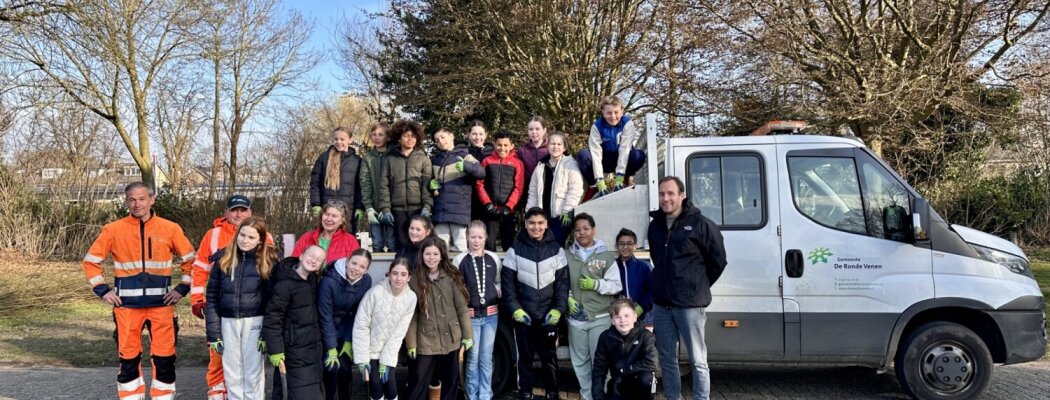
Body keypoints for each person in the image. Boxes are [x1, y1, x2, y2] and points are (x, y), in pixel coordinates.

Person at [81, 182, 196, 400]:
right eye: (132, 199)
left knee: (165, 359)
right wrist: (103, 290)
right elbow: (90, 262)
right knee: (128, 360)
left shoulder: (170, 228)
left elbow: (191, 260)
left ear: (152, 200)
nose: (137, 204)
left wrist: (182, 288)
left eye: (142, 199)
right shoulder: (113, 229)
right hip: (126, 307)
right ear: (126, 202)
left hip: (161, 306)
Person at [647, 176, 728, 400]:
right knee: (667, 359)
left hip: (690, 305)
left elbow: (718, 260)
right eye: (662, 194)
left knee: (698, 360)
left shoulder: (701, 224)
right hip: (662, 305)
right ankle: (674, 397)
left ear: (682, 195)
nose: (666, 198)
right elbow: (657, 259)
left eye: (671, 193)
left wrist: (697, 285)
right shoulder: (655, 226)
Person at [190, 194, 268, 399]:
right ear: (226, 212)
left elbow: (271, 287)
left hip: (253, 316)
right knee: (222, 362)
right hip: (225, 314)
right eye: (234, 210)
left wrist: (270, 327)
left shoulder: (265, 235)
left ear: (250, 212)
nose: (239, 214)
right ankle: (218, 394)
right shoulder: (213, 235)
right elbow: (199, 269)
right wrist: (198, 300)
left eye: (243, 210)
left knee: (253, 369)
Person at [204, 217, 278, 400]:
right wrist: (213, 333)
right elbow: (212, 297)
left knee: (253, 372)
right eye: (242, 235)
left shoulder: (268, 261)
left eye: (251, 237)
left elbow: (272, 301)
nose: (245, 240)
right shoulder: (223, 259)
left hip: (255, 321)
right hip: (228, 321)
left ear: (260, 240)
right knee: (232, 371)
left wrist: (266, 332)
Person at [502, 207, 569, 400]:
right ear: (525, 224)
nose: (536, 227)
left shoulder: (557, 249)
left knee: (550, 358)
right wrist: (515, 309)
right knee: (525, 359)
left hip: (549, 316)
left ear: (546, 224)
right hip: (524, 315)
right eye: (532, 223)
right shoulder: (514, 249)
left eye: (540, 223)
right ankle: (525, 393)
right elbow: (508, 287)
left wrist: (558, 309)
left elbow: (563, 285)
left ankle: (552, 393)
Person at [406, 237, 474, 400]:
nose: (431, 257)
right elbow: (412, 315)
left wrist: (468, 335)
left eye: (435, 254)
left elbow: (462, 308)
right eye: (428, 253)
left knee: (450, 381)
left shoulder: (451, 277)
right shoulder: (415, 280)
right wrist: (411, 344)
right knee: (419, 381)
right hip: (426, 340)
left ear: (442, 255)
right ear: (422, 255)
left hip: (451, 338)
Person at [565, 213, 622, 400]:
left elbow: (616, 285)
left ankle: (601, 395)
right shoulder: (566, 255)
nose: (582, 233)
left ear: (593, 230)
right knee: (580, 362)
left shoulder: (605, 256)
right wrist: (568, 297)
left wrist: (595, 285)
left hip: (600, 318)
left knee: (601, 361)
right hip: (576, 320)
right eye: (578, 230)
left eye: (586, 229)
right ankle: (587, 395)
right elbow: (561, 283)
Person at [264, 246, 327, 400]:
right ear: (301, 256)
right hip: (293, 349)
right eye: (311, 255)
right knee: (294, 392)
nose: (314, 260)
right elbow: (273, 318)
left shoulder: (313, 281)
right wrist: (276, 350)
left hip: (313, 348)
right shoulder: (284, 285)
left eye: (318, 259)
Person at [353, 258, 417, 400]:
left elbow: (399, 333)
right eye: (395, 273)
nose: (398, 278)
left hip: (389, 350)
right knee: (375, 385)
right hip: (370, 350)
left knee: (390, 385)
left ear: (409, 277)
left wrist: (386, 361)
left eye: (403, 274)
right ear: (389, 274)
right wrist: (362, 359)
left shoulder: (411, 298)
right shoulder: (375, 293)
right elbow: (361, 326)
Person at [452, 221, 502, 400]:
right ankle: (471, 395)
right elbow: (456, 287)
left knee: (486, 358)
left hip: (491, 316)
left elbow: (497, 280)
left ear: (486, 238)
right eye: (472, 237)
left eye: (480, 237)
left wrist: (498, 289)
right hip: (471, 318)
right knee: (472, 358)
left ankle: (485, 395)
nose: (476, 240)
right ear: (466, 237)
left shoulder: (493, 258)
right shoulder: (459, 260)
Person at [318, 248, 374, 400]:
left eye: (362, 267)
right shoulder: (329, 280)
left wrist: (349, 340)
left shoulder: (366, 281)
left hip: (345, 330)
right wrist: (330, 347)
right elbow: (325, 315)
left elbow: (357, 313)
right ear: (347, 261)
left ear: (367, 269)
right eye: (354, 263)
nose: (356, 269)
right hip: (324, 330)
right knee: (330, 368)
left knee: (345, 369)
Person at [380, 119, 433, 252]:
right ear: (399, 138)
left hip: (418, 209)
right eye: (406, 136)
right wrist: (385, 209)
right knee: (402, 245)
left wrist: (427, 207)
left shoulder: (424, 159)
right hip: (397, 210)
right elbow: (384, 185)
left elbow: (427, 185)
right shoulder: (390, 159)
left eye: (413, 136)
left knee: (420, 245)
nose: (410, 139)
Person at [429, 127, 485, 252]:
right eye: (437, 140)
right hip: (440, 210)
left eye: (443, 137)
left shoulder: (465, 155)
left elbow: (481, 172)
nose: (440, 141)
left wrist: (466, 166)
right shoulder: (435, 160)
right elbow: (432, 181)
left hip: (459, 209)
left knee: (461, 247)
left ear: (451, 136)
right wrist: (432, 184)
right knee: (440, 249)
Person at [577, 96, 647, 196]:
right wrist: (600, 180)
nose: (613, 116)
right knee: (583, 155)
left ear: (622, 111)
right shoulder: (596, 126)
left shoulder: (628, 124)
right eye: (609, 113)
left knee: (638, 155)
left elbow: (625, 150)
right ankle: (594, 186)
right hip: (604, 160)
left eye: (616, 112)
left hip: (622, 158)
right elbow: (596, 154)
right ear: (603, 112)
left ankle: (624, 181)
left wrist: (620, 176)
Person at [591, 299, 658, 400]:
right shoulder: (605, 337)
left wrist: (625, 370)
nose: (623, 320)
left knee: (647, 379)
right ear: (613, 321)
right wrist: (598, 395)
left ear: (635, 317)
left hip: (639, 381)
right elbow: (599, 369)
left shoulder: (646, 336)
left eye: (627, 316)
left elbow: (651, 363)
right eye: (618, 317)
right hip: (618, 383)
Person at [526, 132, 585, 246]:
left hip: (561, 215)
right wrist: (530, 213)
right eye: (553, 143)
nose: (555, 147)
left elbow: (576, 189)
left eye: (559, 144)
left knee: (555, 245)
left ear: (564, 147)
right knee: (540, 246)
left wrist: (568, 210)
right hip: (542, 216)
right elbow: (533, 191)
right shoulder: (540, 166)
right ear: (548, 145)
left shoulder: (570, 164)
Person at [477, 130, 525, 251]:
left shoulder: (517, 163)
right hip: (490, 210)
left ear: (512, 146)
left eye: (505, 145)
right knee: (488, 245)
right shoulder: (486, 161)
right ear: (494, 144)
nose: (502, 148)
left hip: (508, 211)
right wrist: (487, 204)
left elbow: (518, 187)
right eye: (499, 145)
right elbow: (479, 184)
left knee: (508, 245)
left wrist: (509, 207)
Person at [310, 126, 364, 232]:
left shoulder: (357, 161)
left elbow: (360, 187)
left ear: (350, 140)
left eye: (342, 139)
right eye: (336, 139)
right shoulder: (324, 158)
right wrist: (316, 204)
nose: (339, 142)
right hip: (327, 209)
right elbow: (315, 183)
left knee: (346, 242)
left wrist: (360, 207)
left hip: (348, 210)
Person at [361, 123, 396, 252]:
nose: (377, 137)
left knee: (392, 242)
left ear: (387, 137)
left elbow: (396, 184)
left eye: (381, 134)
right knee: (377, 243)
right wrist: (369, 208)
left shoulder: (394, 156)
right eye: (374, 135)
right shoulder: (368, 158)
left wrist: (387, 207)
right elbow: (365, 183)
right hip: (374, 208)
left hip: (391, 208)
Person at [292, 200, 361, 266]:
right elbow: (293, 263)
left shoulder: (350, 241)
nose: (328, 219)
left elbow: (356, 267)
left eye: (334, 216)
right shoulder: (306, 237)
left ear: (342, 221)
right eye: (326, 214)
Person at [614, 228, 653, 325]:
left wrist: (641, 307)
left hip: (643, 319)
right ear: (617, 246)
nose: (625, 247)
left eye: (629, 243)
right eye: (622, 243)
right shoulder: (612, 267)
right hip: (620, 319)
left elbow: (653, 291)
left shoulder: (645, 266)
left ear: (635, 246)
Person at [516, 116, 550, 204]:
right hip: (528, 193)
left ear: (544, 130)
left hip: (548, 192)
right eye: (531, 129)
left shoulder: (550, 149)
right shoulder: (522, 151)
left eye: (537, 129)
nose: (534, 132)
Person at [466, 120, 494, 223]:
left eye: (481, 134)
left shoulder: (493, 153)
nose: (478, 137)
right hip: (469, 200)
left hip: (488, 198)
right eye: (474, 134)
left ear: (486, 135)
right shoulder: (464, 153)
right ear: (468, 135)